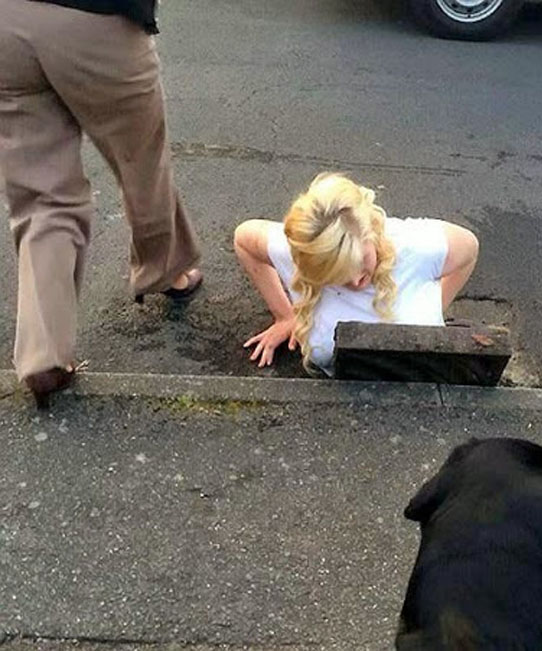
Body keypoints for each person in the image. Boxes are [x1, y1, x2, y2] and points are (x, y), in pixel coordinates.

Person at [0, 0, 203, 407]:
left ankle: (45, 353)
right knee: (141, 162)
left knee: (42, 195)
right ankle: (164, 271)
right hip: (98, 20)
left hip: (7, 23)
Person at [234, 172, 479, 376]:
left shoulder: (419, 248)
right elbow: (244, 240)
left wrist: (436, 307)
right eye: (335, 275)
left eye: (363, 261)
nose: (355, 281)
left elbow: (470, 248)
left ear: (370, 232)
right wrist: (285, 316)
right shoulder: (296, 251)